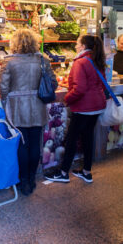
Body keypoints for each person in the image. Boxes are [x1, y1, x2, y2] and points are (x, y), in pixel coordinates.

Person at [0, 29, 57, 196]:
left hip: (17, 109)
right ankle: (31, 178)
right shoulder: (42, 60)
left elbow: (3, 87)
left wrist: (5, 101)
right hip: (38, 107)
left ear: (14, 43)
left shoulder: (9, 62)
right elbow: (53, 83)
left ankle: (23, 181)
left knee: (22, 145)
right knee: (34, 144)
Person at [44, 35, 106, 183]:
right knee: (88, 137)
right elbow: (101, 84)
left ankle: (64, 173)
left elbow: (79, 89)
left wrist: (67, 99)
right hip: (97, 106)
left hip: (83, 107)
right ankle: (86, 171)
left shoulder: (80, 62)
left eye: (78, 44)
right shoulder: (97, 60)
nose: (76, 46)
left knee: (71, 139)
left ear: (83, 46)